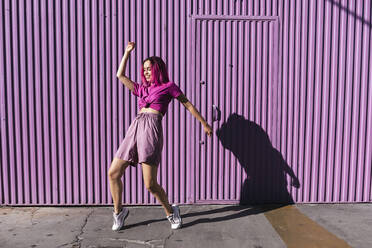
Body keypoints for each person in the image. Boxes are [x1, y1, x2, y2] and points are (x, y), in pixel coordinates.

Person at [108, 41, 213, 231]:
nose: (146, 72)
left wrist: (204, 123)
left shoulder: (169, 86)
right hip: (136, 127)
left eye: (150, 69)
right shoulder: (142, 89)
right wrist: (127, 53)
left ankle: (171, 211)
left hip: (151, 129)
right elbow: (120, 75)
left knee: (150, 184)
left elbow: (187, 104)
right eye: (144, 69)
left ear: (158, 69)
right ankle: (119, 212)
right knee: (113, 173)